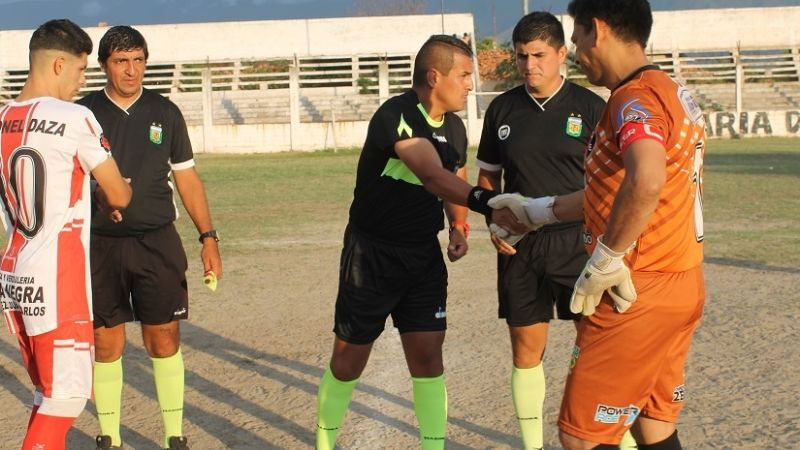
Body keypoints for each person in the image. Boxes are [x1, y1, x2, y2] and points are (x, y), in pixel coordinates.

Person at [314, 35, 525, 450]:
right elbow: (430, 173)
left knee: (429, 359)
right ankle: (324, 444)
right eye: (464, 75)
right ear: (435, 76)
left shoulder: (457, 125)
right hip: (371, 254)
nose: (469, 85)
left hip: (422, 256)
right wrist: (489, 205)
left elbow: (454, 177)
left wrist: (459, 224)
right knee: (348, 361)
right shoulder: (396, 117)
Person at [555, 1, 706, 449]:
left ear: (596, 30)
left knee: (583, 436)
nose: (576, 51)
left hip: (635, 290)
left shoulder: (634, 98)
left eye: (577, 37)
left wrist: (607, 257)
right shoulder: (670, 90)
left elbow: (647, 177)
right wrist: (539, 211)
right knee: (652, 422)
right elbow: (622, 188)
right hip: (681, 282)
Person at [76, 25, 223, 450]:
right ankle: (111, 437)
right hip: (99, 244)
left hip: (157, 242)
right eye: (122, 61)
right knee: (106, 341)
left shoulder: (165, 111)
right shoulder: (83, 114)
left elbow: (188, 178)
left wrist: (208, 237)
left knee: (164, 336)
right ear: (104, 65)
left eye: (138, 60)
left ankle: (174, 436)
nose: (132, 70)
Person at [475, 11, 607, 450]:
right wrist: (493, 220)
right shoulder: (502, 108)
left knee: (596, 347)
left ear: (561, 53)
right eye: (521, 56)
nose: (530, 65)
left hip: (579, 243)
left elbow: (611, 184)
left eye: (538, 55)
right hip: (521, 248)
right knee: (526, 352)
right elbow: (488, 179)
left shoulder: (592, 107)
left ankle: (612, 439)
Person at [0, 19, 131, 450]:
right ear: (58, 64)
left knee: (46, 394)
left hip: (15, 272)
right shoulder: (75, 117)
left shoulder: (2, 118)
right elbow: (119, 193)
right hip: (57, 278)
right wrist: (114, 194)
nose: (82, 81)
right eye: (80, 70)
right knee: (68, 398)